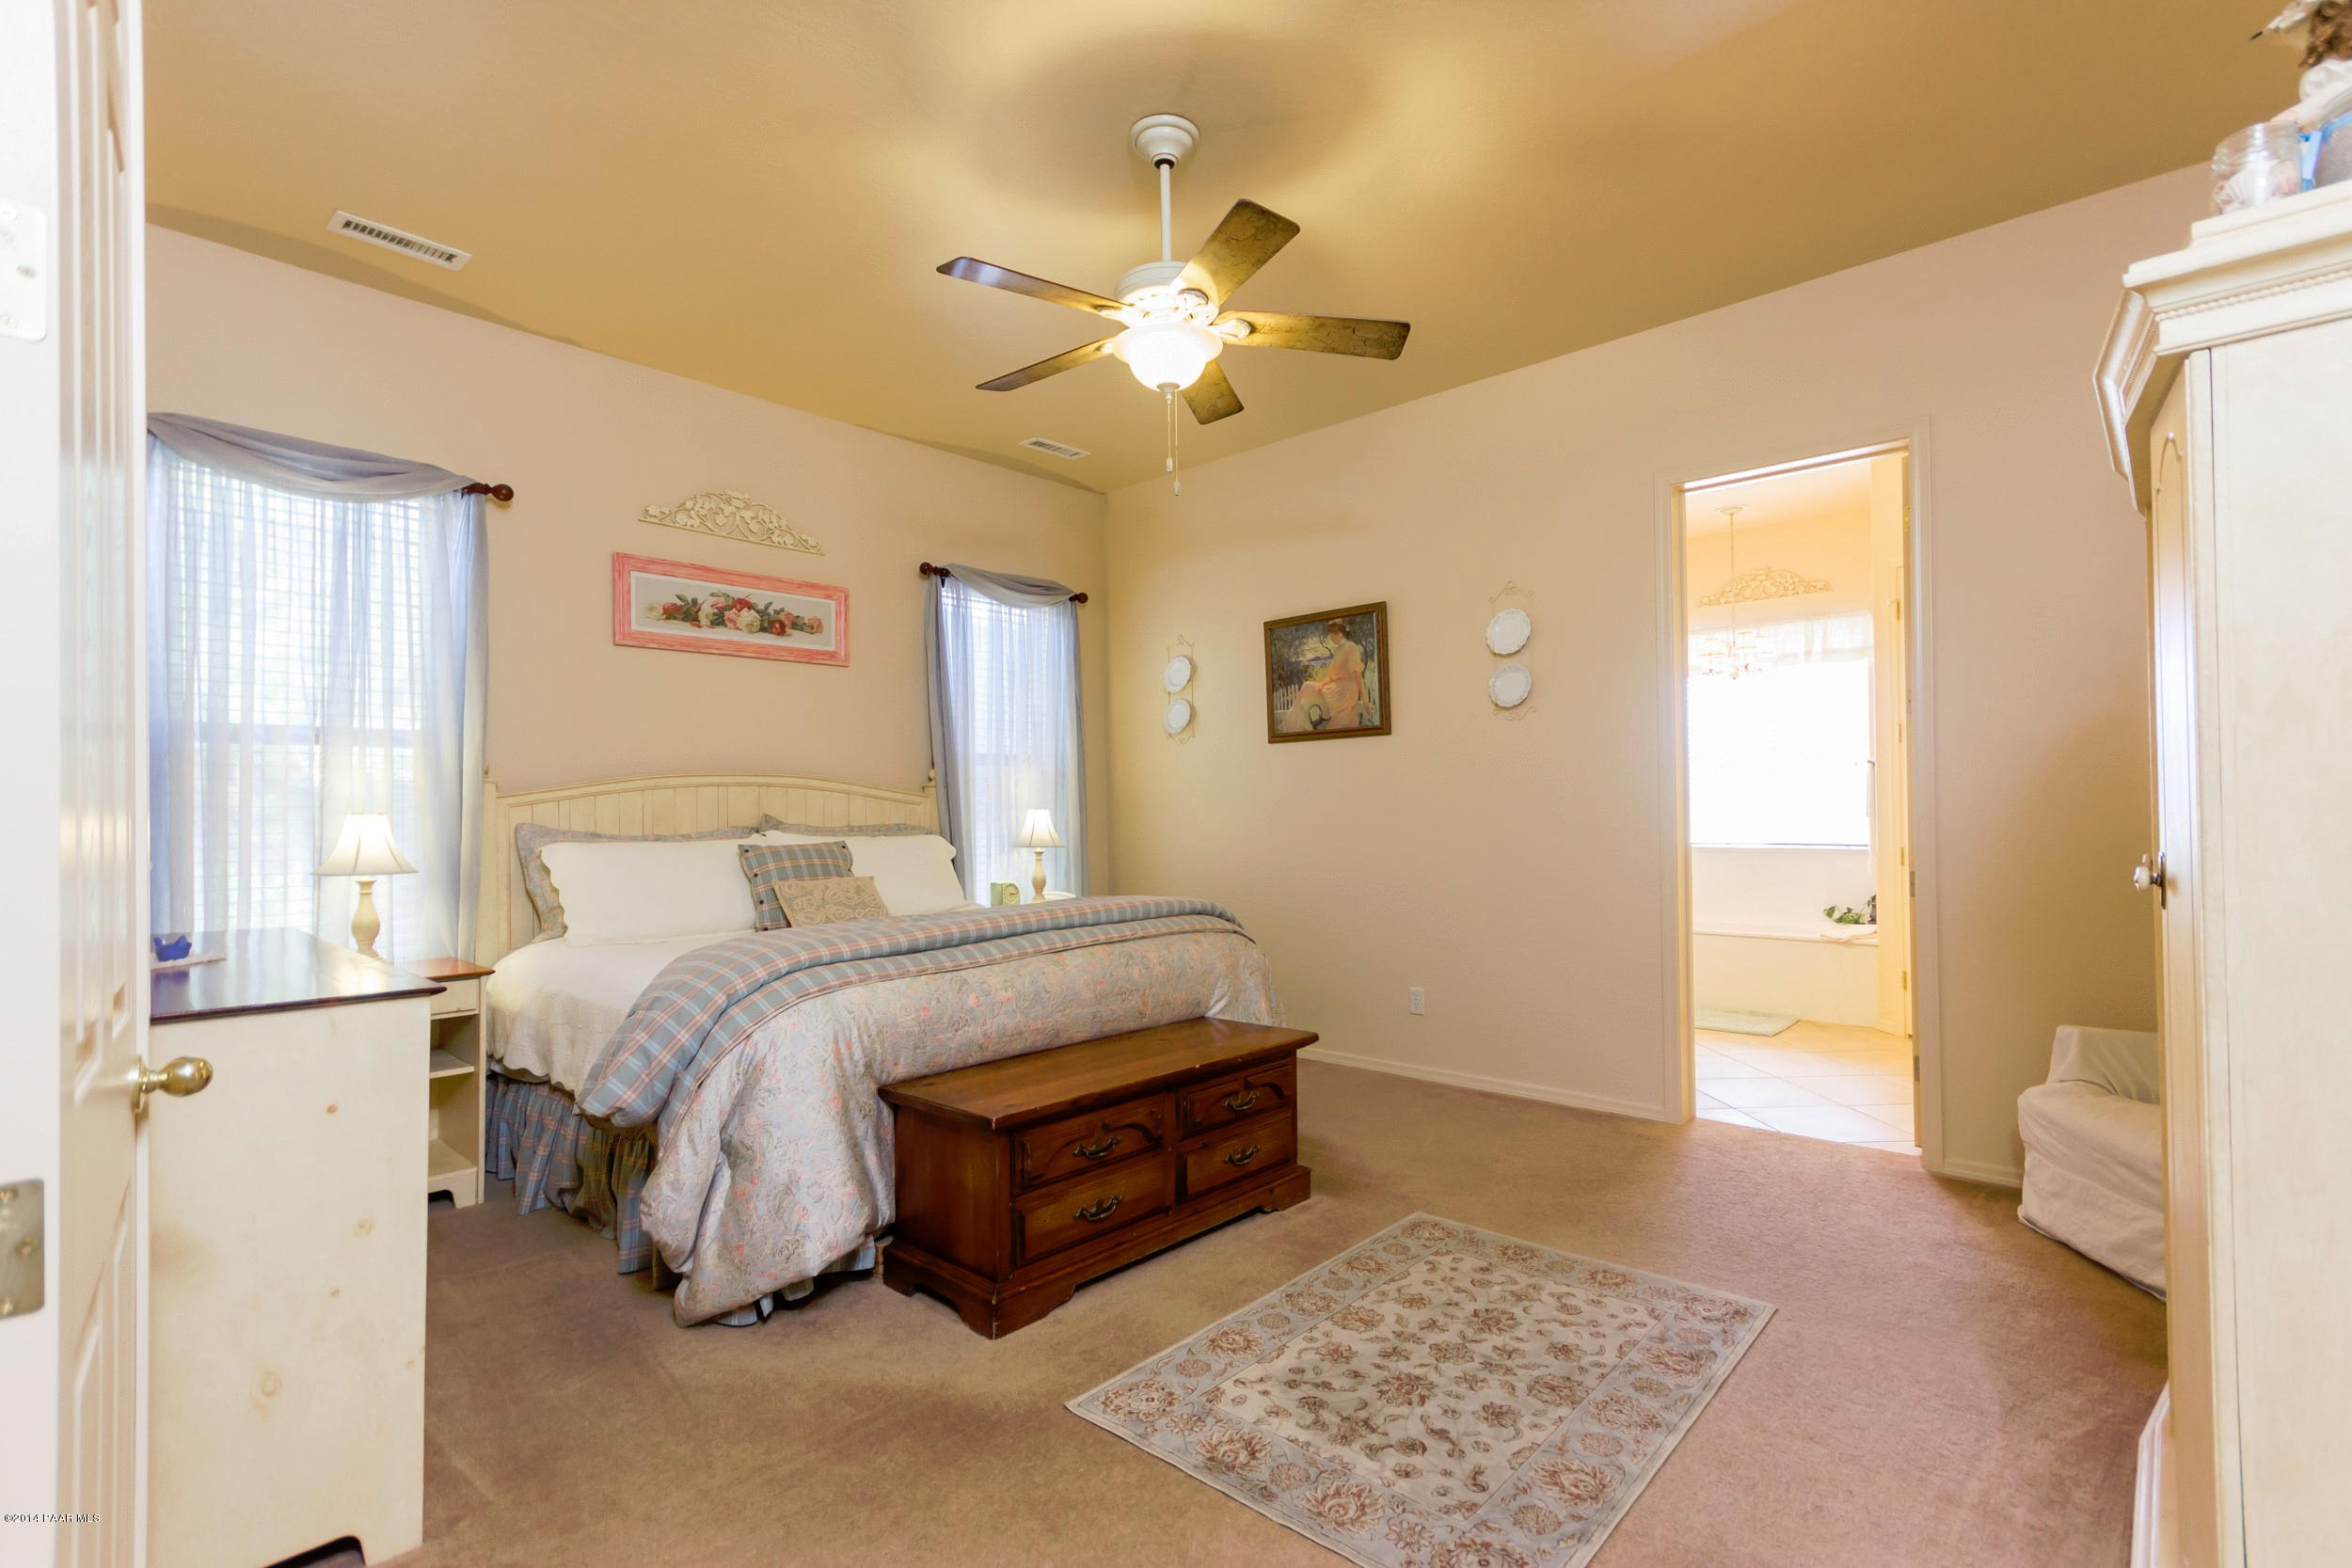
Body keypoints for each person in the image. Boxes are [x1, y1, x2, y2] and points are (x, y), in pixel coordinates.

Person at [1282, 618, 1369, 731]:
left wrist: (1365, 700)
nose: (1331, 638)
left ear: (1340, 633)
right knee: (1307, 687)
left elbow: (1357, 675)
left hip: (1345, 690)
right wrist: (1322, 685)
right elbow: (1332, 675)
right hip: (1336, 686)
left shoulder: (1351, 648)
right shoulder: (1339, 649)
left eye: (1332, 635)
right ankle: (1296, 726)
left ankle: (1294, 726)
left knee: (1307, 686)